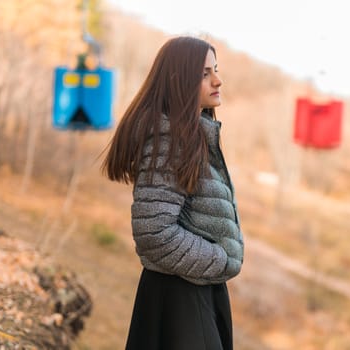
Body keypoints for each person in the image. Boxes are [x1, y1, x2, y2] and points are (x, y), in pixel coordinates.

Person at [101, 36, 244, 350]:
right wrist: (218, 259)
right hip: (181, 298)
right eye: (204, 74)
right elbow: (154, 232)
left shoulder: (191, 136)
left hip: (196, 289)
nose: (218, 80)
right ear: (179, 81)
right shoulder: (171, 142)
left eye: (216, 70)